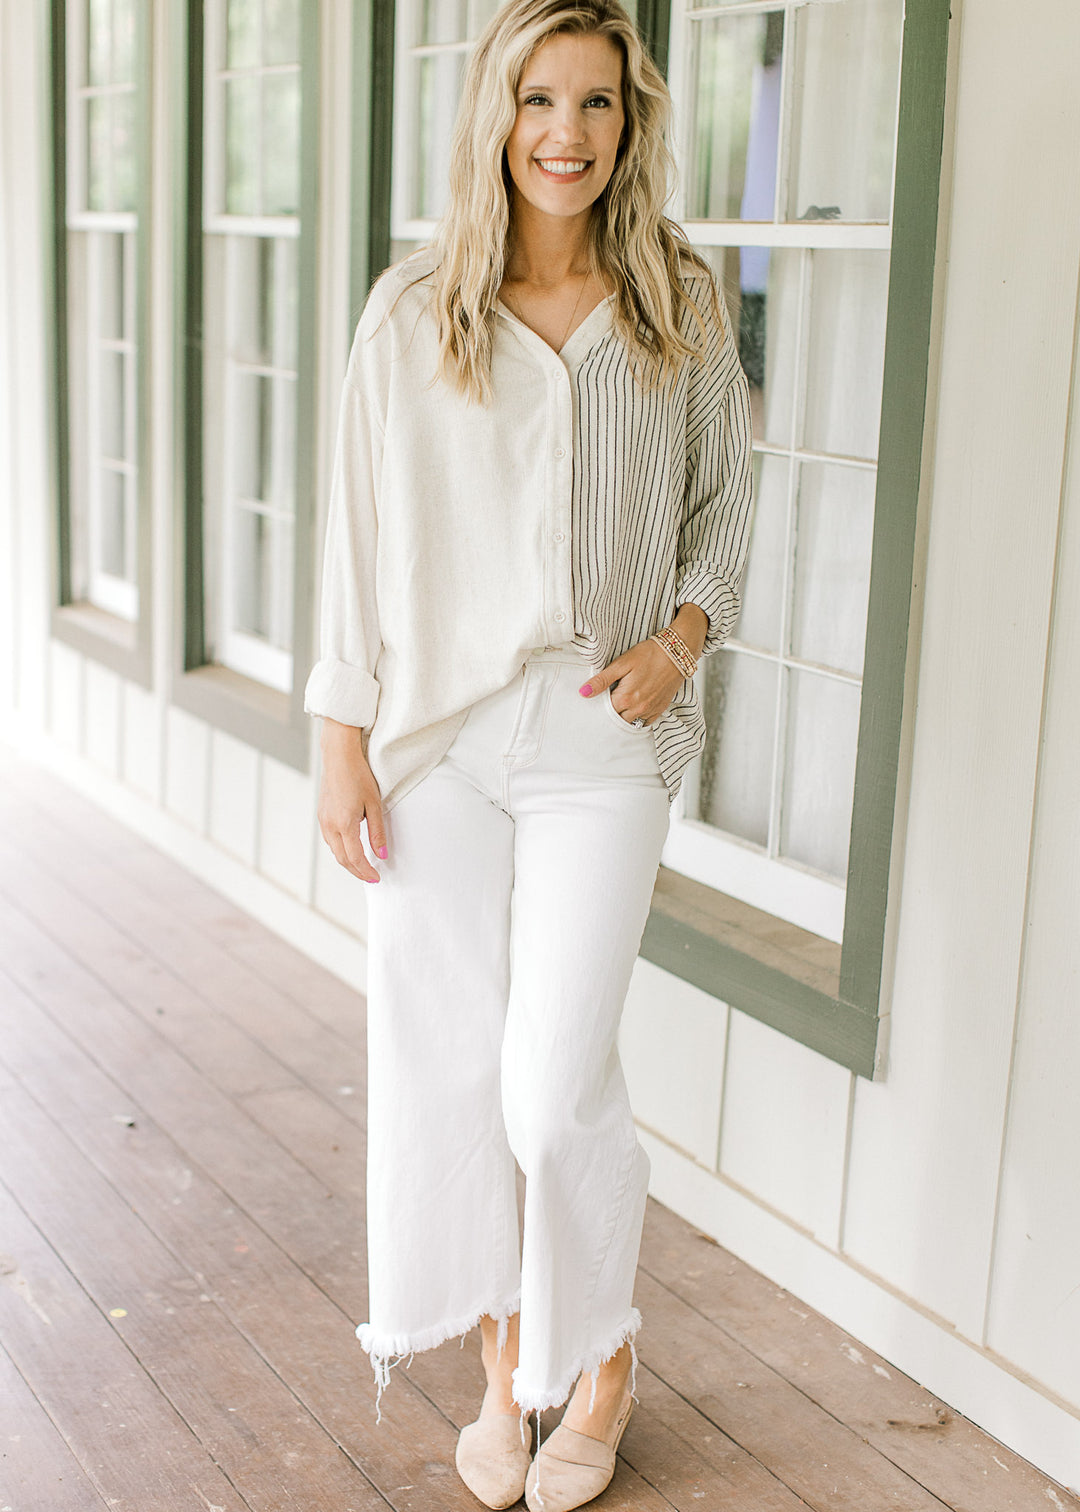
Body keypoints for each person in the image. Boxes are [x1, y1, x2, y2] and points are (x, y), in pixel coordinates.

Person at [304, 2, 753, 1507]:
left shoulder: (677, 301)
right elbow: (354, 543)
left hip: (601, 732)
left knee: (553, 1087)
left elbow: (726, 508)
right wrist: (340, 742)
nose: (568, 133)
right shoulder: (411, 311)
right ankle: (506, 1363)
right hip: (437, 738)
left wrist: (681, 641)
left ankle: (601, 1351)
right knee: (449, 1063)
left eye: (598, 103)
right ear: (497, 114)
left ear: (632, 121)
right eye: (540, 100)